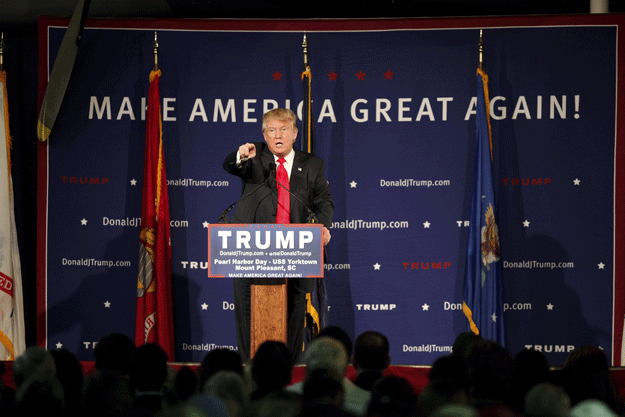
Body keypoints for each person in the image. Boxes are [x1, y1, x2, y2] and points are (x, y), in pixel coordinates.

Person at [223, 108, 334, 364]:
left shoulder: (312, 165)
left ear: (294, 133)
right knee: (247, 312)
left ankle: (291, 370)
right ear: (264, 134)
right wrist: (241, 155)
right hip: (249, 249)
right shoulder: (255, 156)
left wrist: (320, 227)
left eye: (284, 129)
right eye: (271, 130)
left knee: (294, 312)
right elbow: (230, 165)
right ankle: (249, 370)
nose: (277, 135)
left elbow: (324, 201)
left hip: (296, 249)